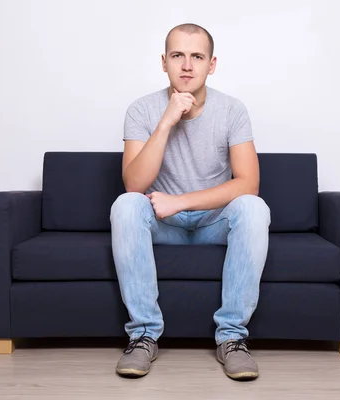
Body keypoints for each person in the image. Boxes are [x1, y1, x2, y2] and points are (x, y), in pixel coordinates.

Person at [110, 23, 271, 381]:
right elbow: (134, 183)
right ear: (164, 62)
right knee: (125, 205)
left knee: (254, 208)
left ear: (211, 64)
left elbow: (249, 184)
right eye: (177, 56)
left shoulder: (232, 110)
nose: (187, 65)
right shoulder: (142, 110)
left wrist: (180, 201)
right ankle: (143, 335)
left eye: (196, 56)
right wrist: (166, 121)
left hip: (212, 224)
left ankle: (232, 339)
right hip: (162, 224)